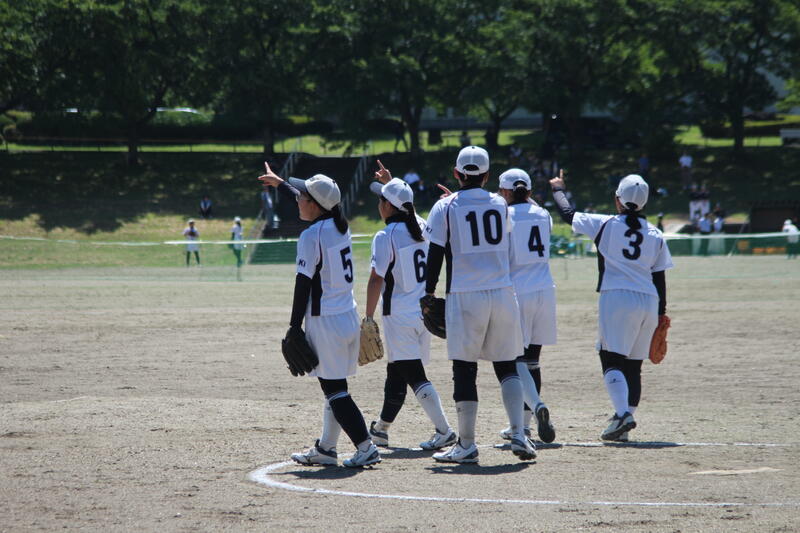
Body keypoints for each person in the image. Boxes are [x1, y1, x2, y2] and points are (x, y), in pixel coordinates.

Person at [257, 163, 380, 468]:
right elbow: (312, 201)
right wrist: (281, 184)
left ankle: (365, 446)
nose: (298, 199)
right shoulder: (340, 226)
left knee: (334, 390)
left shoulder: (311, 236)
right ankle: (327, 448)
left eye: (303, 196)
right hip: (346, 315)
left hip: (325, 321)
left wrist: (294, 326)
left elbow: (303, 283)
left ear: (314, 204)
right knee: (335, 386)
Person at [424, 146, 536, 463]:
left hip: (465, 293)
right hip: (502, 292)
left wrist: (427, 293)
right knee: (507, 364)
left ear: (456, 173)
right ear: (487, 176)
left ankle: (467, 444)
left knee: (464, 367)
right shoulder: (501, 204)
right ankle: (519, 433)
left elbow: (435, 254)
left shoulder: (444, 207)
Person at [549, 172, 673, 441]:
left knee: (611, 359)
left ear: (618, 199)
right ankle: (622, 423)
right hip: (649, 300)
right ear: (645, 203)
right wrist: (661, 313)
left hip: (617, 298)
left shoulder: (605, 224)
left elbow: (568, 214)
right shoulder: (655, 233)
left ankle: (623, 415)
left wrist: (558, 189)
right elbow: (659, 277)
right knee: (634, 366)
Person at [365, 163, 457, 451]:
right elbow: (409, 209)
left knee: (414, 375)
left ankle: (444, 430)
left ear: (387, 206)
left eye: (381, 199)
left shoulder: (386, 235)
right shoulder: (422, 226)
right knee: (398, 371)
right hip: (424, 314)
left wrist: (367, 317)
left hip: (399, 316)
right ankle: (381, 429)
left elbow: (376, 279)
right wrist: (392, 182)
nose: (378, 204)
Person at [495, 168, 557, 444]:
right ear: (529, 191)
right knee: (533, 361)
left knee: (513, 360)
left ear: (505, 192)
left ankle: (537, 405)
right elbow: (529, 204)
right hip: (544, 290)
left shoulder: (503, 216)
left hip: (517, 290)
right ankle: (526, 425)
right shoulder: (544, 215)